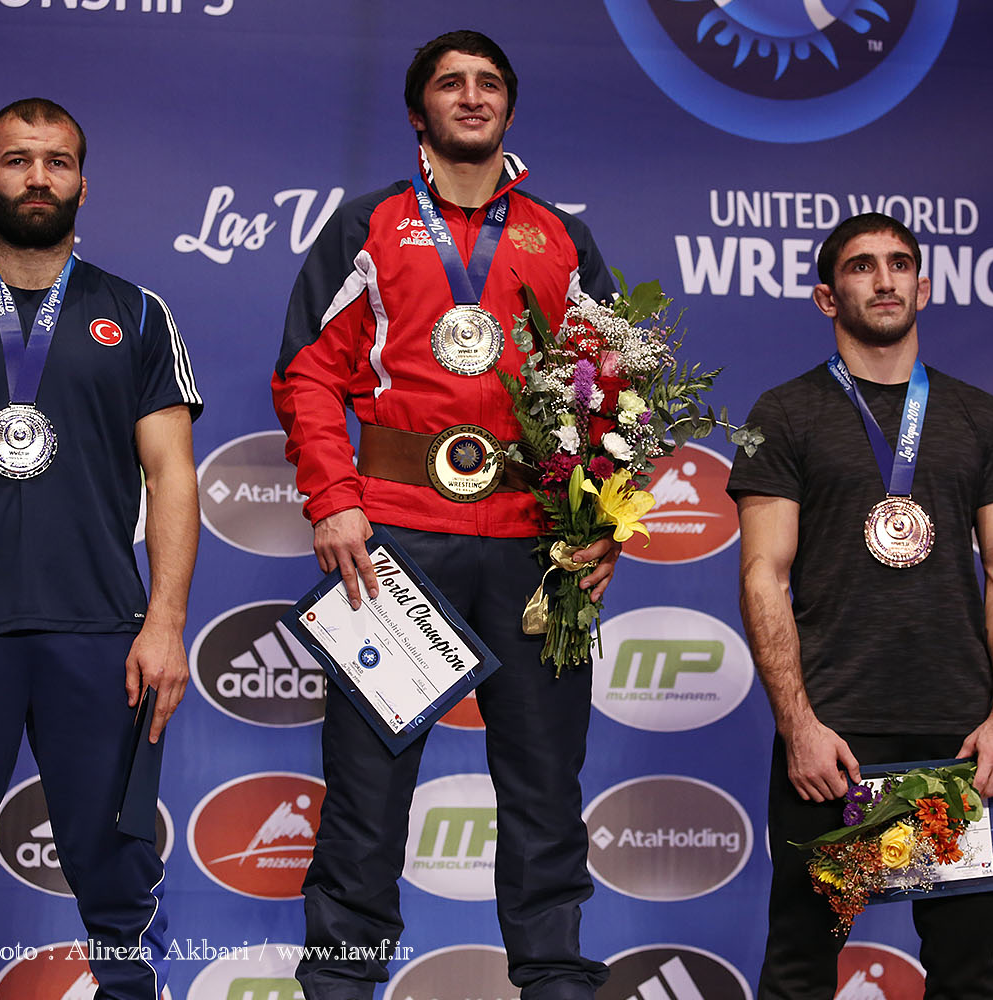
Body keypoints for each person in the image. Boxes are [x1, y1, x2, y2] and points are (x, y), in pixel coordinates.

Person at [271, 29, 617, 1000]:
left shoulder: (559, 236)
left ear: (509, 105)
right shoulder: (370, 224)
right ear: (419, 109)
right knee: (367, 793)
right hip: (393, 541)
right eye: (451, 83)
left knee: (546, 791)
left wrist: (600, 518)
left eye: (489, 82)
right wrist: (334, 501)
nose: (472, 96)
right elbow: (308, 372)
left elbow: (611, 387)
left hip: (536, 546)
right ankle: (342, 985)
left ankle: (556, 982)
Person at [0, 98, 202, 999]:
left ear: (84, 184)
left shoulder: (137, 314)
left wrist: (166, 622)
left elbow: (172, 475)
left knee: (121, 881)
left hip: (101, 636)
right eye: (18, 160)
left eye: (57, 161)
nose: (39, 177)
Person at [727, 212, 993, 1000]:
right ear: (827, 298)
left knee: (966, 974)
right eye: (862, 266)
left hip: (958, 735)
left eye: (899, 264)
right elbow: (763, 573)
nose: (885, 279)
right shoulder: (784, 413)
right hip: (836, 738)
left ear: (923, 288)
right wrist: (799, 726)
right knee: (800, 967)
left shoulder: (978, 415)